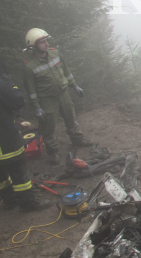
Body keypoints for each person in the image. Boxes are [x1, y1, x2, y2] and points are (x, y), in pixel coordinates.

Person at [22, 29, 92, 165]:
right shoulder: (29, 66)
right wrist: (37, 107)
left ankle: (78, 139)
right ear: (33, 46)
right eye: (42, 42)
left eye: (46, 40)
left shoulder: (55, 53)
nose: (46, 44)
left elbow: (66, 71)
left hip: (63, 94)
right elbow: (31, 90)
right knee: (48, 127)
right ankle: (53, 152)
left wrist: (74, 86)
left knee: (71, 118)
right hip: (47, 99)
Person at [0, 61, 51, 211]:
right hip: (5, 136)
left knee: (1, 171)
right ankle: (27, 203)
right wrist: (9, 84)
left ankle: (9, 201)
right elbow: (17, 101)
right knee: (18, 168)